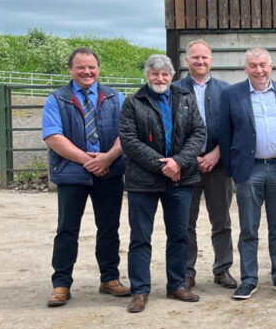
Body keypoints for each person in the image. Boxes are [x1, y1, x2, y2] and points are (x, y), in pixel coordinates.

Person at [119, 54, 206, 313]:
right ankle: (140, 290)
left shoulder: (186, 99)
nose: (160, 78)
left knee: (179, 235)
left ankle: (177, 284)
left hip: (181, 179)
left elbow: (198, 133)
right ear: (147, 75)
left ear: (171, 76)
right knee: (140, 237)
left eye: (165, 74)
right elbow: (129, 141)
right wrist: (163, 166)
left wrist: (178, 162)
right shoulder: (133, 102)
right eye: (155, 73)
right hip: (143, 181)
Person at [42, 47, 129, 307]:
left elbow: (125, 133)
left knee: (109, 228)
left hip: (109, 172)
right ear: (70, 69)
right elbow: (53, 137)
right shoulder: (56, 99)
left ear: (98, 68)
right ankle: (61, 284)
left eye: (91, 67)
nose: (87, 71)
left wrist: (107, 158)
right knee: (67, 229)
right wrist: (88, 160)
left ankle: (109, 278)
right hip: (72, 175)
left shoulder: (116, 97)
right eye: (81, 67)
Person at [220, 47, 276, 300]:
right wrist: (232, 169)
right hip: (250, 170)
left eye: (263, 65)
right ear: (245, 68)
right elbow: (225, 134)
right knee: (249, 228)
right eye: (253, 65)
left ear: (271, 66)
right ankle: (249, 279)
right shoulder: (232, 94)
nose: (258, 70)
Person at [175, 39, 238, 291]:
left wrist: (215, 154)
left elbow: (235, 127)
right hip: (185, 166)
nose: (200, 62)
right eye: (195, 58)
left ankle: (222, 269)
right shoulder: (174, 90)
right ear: (186, 60)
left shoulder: (227, 91)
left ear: (211, 60)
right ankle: (187, 271)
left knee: (221, 220)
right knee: (185, 222)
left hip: (219, 165)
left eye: (204, 58)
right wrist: (187, 158)